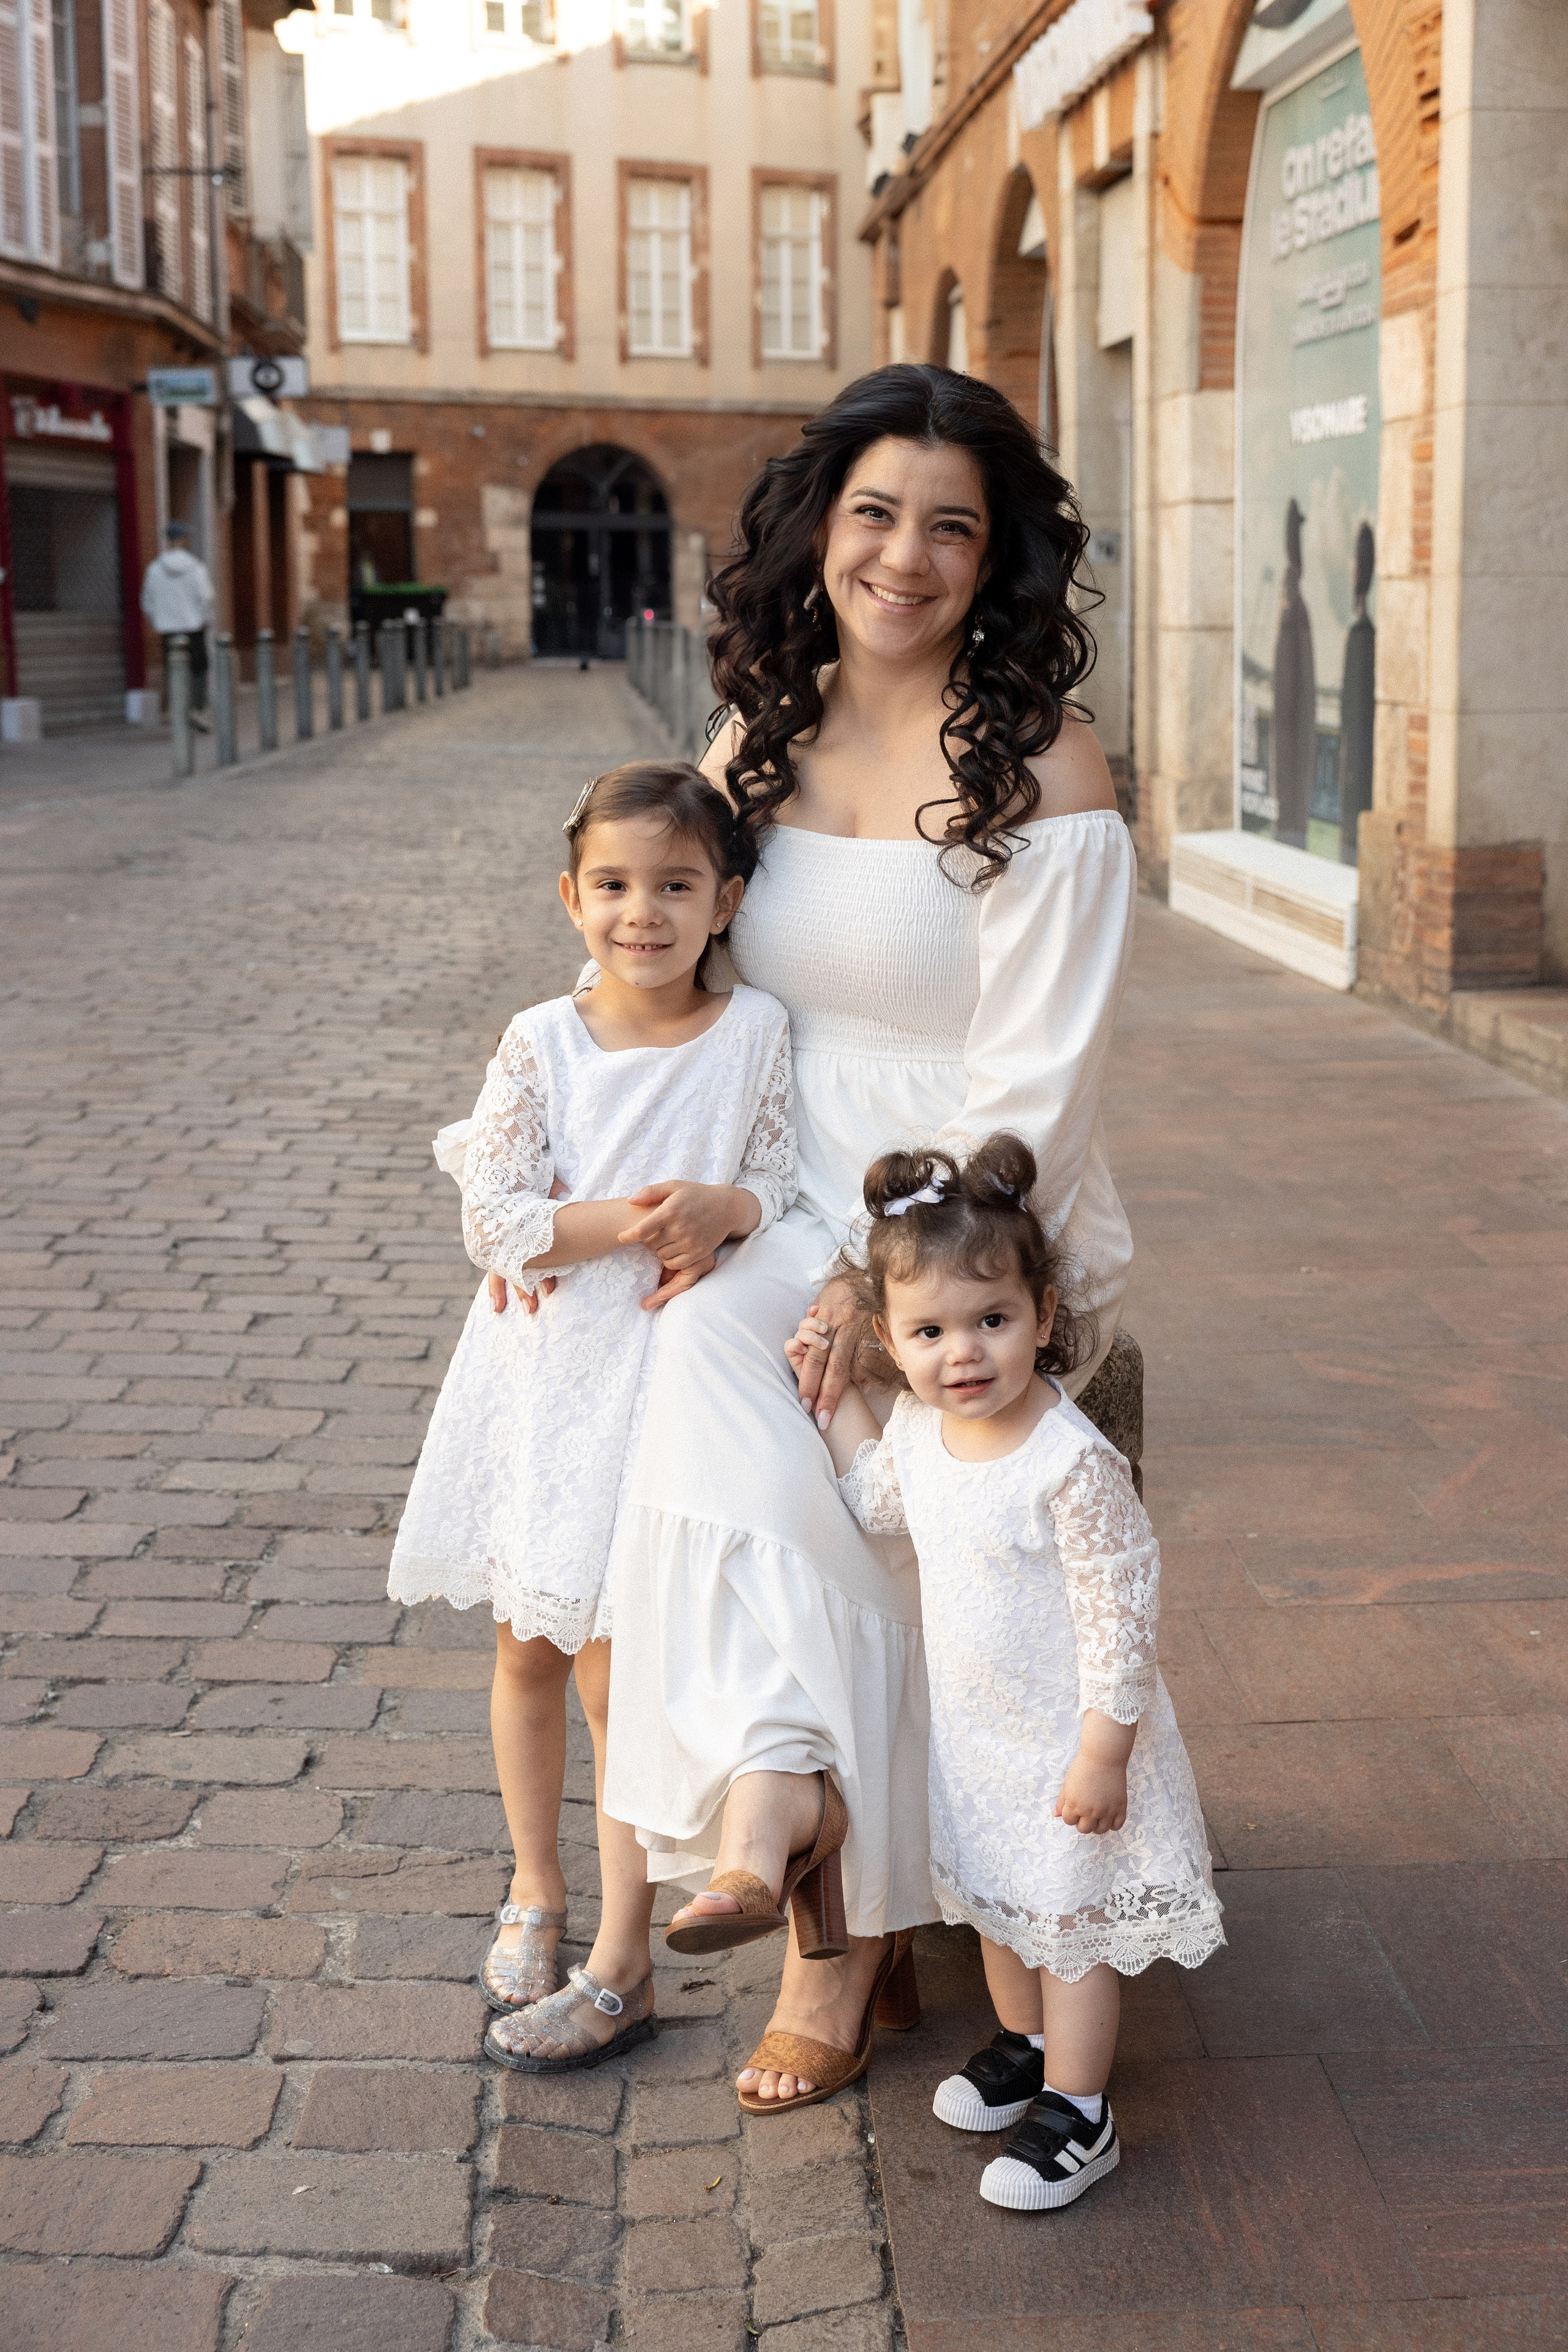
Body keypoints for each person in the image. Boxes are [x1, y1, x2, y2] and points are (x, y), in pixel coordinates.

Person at [584, 362, 1142, 2108]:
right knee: (688, 1356)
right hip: (784, 1179)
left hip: (969, 1207)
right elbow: (689, 985)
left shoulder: (1044, 763)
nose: (905, 556)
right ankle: (807, 1837)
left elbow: (1037, 1082)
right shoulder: (754, 739)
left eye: (952, 527)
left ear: (999, 561)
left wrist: (868, 1264)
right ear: (822, 530)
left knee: (854, 1411)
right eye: (875, 513)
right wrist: (682, 1189)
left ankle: (837, 1911)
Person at [388, 761, 796, 2073]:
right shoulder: (540, 1041)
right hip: (546, 1381)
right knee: (527, 1648)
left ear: (724, 899)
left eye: (676, 885)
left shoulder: (753, 1039)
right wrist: (637, 1218)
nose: (643, 912)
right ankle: (534, 1886)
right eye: (614, 886)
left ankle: (625, 1945)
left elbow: (778, 1181)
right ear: (571, 898)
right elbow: (493, 1219)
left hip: (665, 1382)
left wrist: (726, 1210)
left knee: (624, 1672)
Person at [787, 1134, 1223, 2191]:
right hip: (980, 1735)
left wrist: (1105, 1751)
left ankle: (1082, 2110)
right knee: (996, 1906)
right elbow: (877, 1498)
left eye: (993, 1321)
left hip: (1070, 1740)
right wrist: (837, 1400)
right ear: (891, 1339)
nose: (964, 1353)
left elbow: (1122, 1613)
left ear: (1043, 1315)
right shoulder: (926, 1434)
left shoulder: (1069, 1463)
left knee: (1067, 1929)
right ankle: (1025, 2050)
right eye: (930, 1331)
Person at [140, 521, 214, 731]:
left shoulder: (154, 569)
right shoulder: (196, 567)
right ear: (183, 539)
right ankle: (197, 708)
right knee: (199, 668)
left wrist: (158, 621)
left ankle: (177, 708)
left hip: (168, 629)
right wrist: (203, 618)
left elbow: (147, 601)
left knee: (173, 668)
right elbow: (206, 596)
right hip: (194, 627)